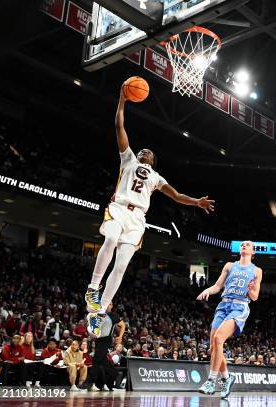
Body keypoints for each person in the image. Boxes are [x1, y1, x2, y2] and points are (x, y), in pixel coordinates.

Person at [85, 85, 215, 336]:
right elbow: (119, 128)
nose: (145, 151)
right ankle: (93, 287)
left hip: (137, 219)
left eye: (149, 152)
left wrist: (197, 202)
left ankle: (99, 312)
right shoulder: (129, 159)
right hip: (119, 208)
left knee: (121, 266)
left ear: (153, 161)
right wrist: (122, 101)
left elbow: (176, 196)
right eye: (143, 149)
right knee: (110, 239)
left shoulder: (156, 178)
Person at [196, 241, 262, 398]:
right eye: (243, 244)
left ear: (253, 252)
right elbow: (218, 286)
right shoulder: (229, 266)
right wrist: (207, 290)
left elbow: (254, 297)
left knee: (219, 338)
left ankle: (211, 381)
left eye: (248, 244)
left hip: (239, 307)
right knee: (213, 348)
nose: (244, 245)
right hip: (223, 305)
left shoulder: (257, 271)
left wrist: (250, 289)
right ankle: (227, 378)